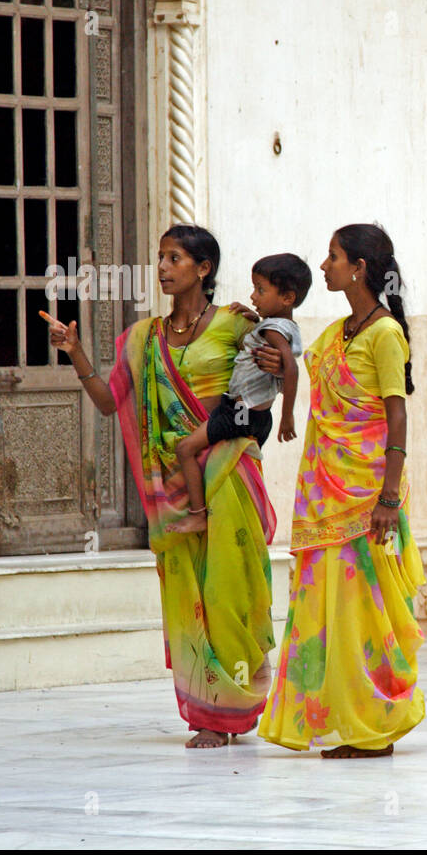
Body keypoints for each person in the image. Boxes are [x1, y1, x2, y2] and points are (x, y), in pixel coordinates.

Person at [46, 223, 283, 749]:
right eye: (159, 257)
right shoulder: (142, 339)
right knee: (187, 595)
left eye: (174, 258)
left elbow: (267, 387)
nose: (162, 267)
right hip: (171, 485)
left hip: (228, 475)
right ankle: (209, 714)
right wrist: (75, 351)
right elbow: (110, 403)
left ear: (204, 269)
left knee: (228, 590)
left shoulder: (237, 326)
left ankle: (235, 702)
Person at [256, 223, 427, 758]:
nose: (323, 266)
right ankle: (339, 717)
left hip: (366, 497)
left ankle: (375, 724)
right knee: (323, 607)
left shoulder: (384, 334)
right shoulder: (334, 334)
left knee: (364, 611)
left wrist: (389, 498)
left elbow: (395, 416)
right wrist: (273, 362)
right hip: (323, 496)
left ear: (358, 268)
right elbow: (311, 386)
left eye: (332, 258)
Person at [168, 253, 308, 534]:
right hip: (258, 416)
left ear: (287, 298)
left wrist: (289, 416)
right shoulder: (283, 326)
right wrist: (257, 320)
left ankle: (197, 514)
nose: (253, 296)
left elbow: (290, 368)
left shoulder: (272, 330)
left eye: (261, 289)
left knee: (185, 449)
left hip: (238, 413)